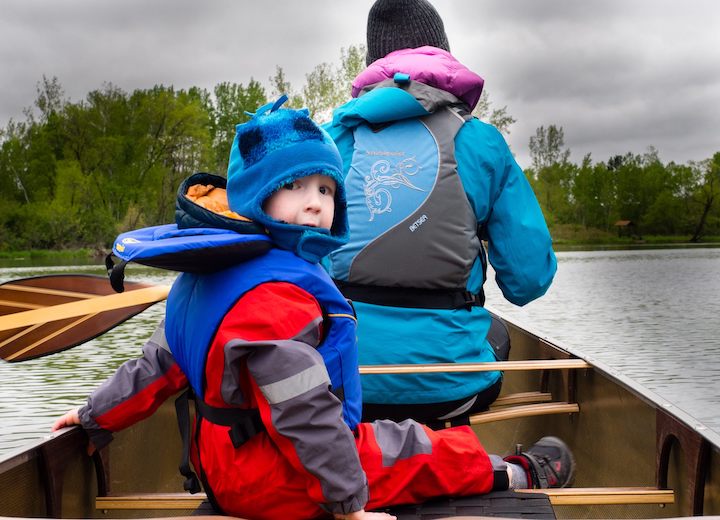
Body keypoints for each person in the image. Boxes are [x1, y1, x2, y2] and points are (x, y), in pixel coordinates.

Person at [52, 100, 572, 520]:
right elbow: (304, 415)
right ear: (256, 196)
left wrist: (96, 416)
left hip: (222, 466)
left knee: (391, 440)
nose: (315, 202)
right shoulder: (274, 297)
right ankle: (515, 472)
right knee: (412, 447)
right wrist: (348, 503)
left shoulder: (209, 273)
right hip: (276, 480)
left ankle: (499, 467)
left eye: (325, 188)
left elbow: (156, 368)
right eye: (293, 186)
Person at [324, 0, 558, 426]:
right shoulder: (481, 142)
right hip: (452, 392)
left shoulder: (329, 142)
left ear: (371, 63)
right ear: (444, 55)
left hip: (339, 387)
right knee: (496, 330)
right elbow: (528, 282)